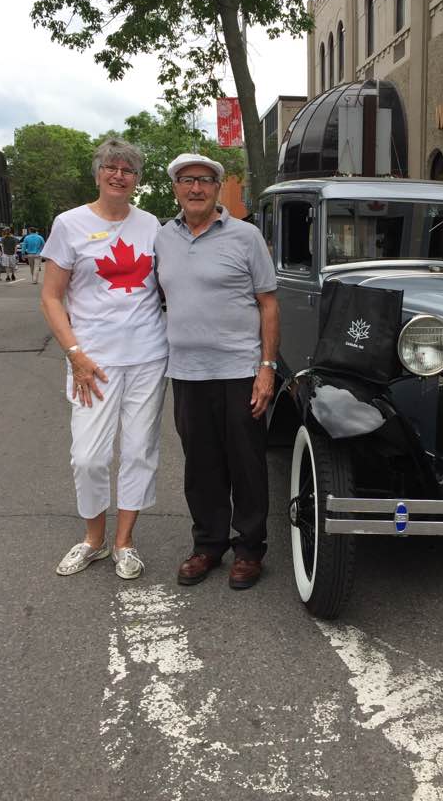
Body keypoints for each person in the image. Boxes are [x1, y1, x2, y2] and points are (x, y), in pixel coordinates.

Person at [40, 138, 168, 580]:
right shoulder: (69, 224)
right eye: (111, 168)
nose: (119, 175)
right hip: (92, 362)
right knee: (89, 457)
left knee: (138, 450)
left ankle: (124, 542)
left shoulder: (152, 225)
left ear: (137, 180)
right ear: (97, 174)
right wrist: (74, 353)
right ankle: (93, 538)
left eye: (128, 170)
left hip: (149, 356)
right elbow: (51, 297)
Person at [155, 153, 279, 591]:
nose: (196, 188)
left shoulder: (245, 236)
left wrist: (267, 368)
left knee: (245, 464)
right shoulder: (162, 238)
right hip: (187, 372)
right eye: (187, 181)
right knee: (201, 466)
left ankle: (249, 550)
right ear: (175, 188)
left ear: (216, 187)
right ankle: (208, 545)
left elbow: (268, 303)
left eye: (205, 181)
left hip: (240, 369)